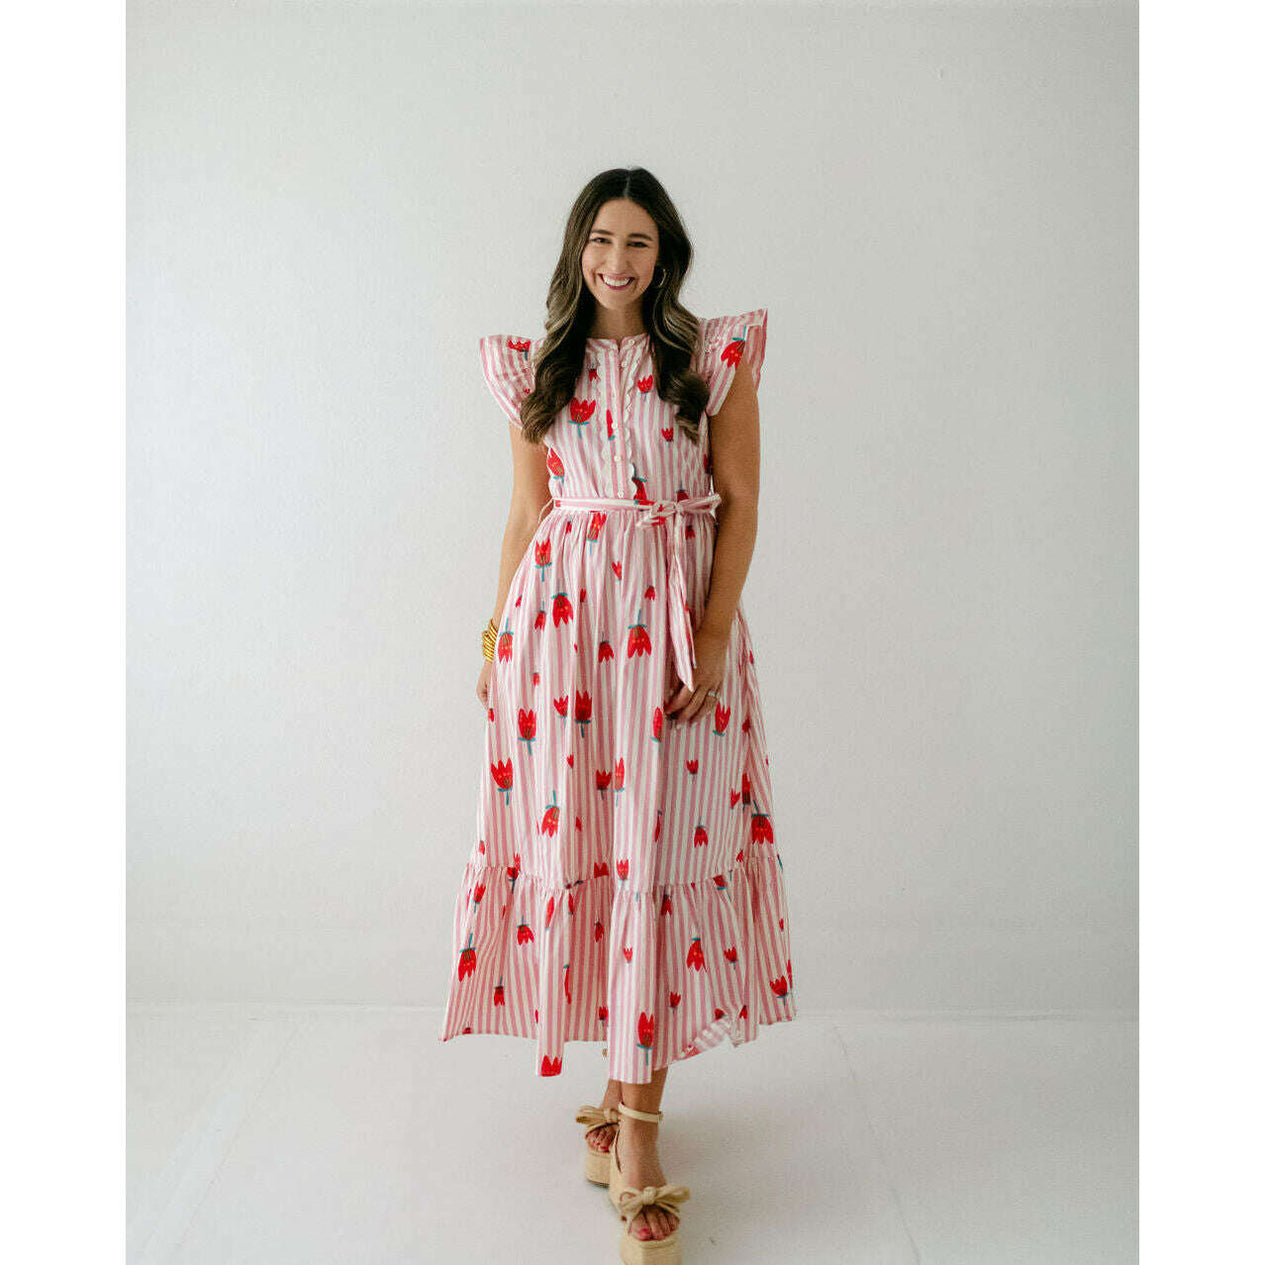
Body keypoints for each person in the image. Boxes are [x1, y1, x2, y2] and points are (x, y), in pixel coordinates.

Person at [438, 166, 797, 1262]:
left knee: (659, 856)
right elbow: (526, 509)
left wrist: (716, 634)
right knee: (595, 852)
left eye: (639, 241)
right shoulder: (537, 367)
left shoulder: (709, 360)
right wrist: (496, 640)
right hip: (560, 639)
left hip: (675, 640)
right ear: (576, 247)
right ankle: (619, 1102)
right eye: (602, 238)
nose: (617, 259)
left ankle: (635, 1133)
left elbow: (740, 503)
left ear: (664, 255)